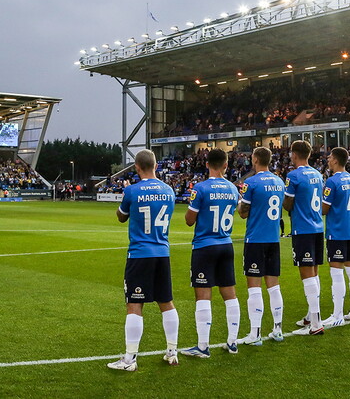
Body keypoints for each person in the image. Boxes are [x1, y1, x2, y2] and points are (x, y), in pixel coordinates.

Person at [107, 149, 180, 372]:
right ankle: (172, 352)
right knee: (166, 302)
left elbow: (121, 216)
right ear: (156, 165)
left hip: (140, 254)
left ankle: (130, 359)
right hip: (162, 252)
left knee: (134, 304)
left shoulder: (132, 190)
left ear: (137, 167)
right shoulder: (169, 190)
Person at [180, 148, 240, 358]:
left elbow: (189, 220)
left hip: (205, 246)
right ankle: (232, 342)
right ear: (226, 165)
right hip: (226, 244)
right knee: (230, 294)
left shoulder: (200, 188)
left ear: (207, 164)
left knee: (203, 295)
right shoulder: (233, 189)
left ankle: (203, 346)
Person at [235, 146, 286, 346]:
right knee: (274, 286)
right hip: (273, 239)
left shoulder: (251, 183)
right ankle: (278, 329)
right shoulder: (279, 181)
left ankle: (255, 334)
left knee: (254, 287)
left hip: (255, 239)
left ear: (255, 159)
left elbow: (243, 212)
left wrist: (240, 202)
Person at [284, 140, 326, 336]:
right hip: (318, 227)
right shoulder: (318, 174)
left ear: (294, 154)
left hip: (303, 228)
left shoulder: (293, 176)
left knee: (306, 273)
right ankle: (311, 315)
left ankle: (316, 323)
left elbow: (288, 204)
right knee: (314, 271)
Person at [320, 147, 350, 327]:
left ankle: (337, 314)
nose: (328, 160)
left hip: (337, 232)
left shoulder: (332, 181)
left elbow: (324, 209)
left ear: (336, 160)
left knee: (336, 273)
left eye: (330, 157)